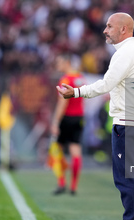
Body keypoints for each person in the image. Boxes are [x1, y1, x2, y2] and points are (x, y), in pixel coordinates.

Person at [57, 12, 134, 220]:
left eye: (110, 26)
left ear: (124, 29)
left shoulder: (125, 53)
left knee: (126, 178)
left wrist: (76, 91)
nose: (105, 30)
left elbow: (106, 84)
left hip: (128, 123)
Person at [50, 54, 85, 195]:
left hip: (66, 117)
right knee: (75, 149)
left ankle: (62, 182)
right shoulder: (80, 78)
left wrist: (55, 121)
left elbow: (62, 103)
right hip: (79, 117)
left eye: (59, 62)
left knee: (58, 149)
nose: (57, 65)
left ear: (67, 62)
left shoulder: (65, 79)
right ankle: (74, 186)